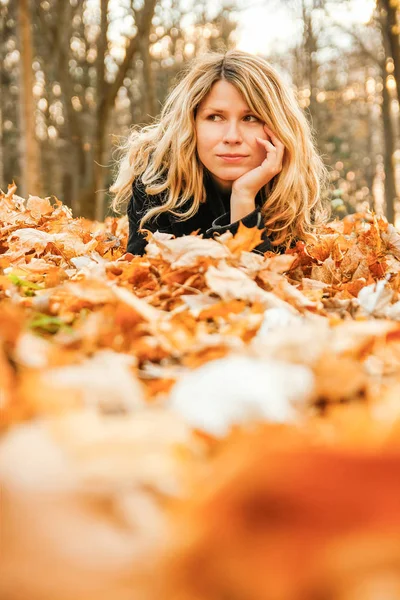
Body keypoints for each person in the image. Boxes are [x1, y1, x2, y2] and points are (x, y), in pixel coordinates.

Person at [111, 50, 327, 256]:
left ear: (277, 126)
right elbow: (144, 278)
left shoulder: (294, 187)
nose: (232, 137)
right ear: (191, 122)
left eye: (250, 118)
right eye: (215, 117)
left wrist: (243, 196)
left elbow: (266, 285)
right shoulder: (157, 179)